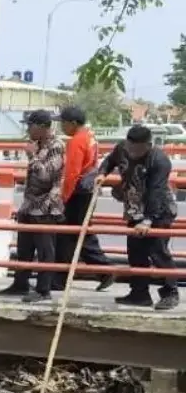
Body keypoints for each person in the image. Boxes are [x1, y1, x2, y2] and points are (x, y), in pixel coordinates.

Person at [96, 125, 179, 310]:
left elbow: (156, 192)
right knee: (135, 252)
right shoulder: (121, 148)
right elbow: (109, 161)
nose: (132, 153)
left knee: (158, 252)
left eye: (137, 150)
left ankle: (171, 292)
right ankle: (139, 293)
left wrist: (148, 220)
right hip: (134, 209)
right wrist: (102, 174)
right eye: (130, 148)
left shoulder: (159, 161)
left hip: (159, 211)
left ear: (148, 145)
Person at [0, 110, 65, 303]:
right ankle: (21, 283)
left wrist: (32, 156)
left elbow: (46, 176)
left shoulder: (56, 146)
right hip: (30, 205)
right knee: (24, 247)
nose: (28, 129)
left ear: (42, 127)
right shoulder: (38, 144)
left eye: (30, 125)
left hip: (46, 206)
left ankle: (44, 290)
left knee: (45, 250)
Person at [53, 105, 114, 292]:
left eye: (63, 123)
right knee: (75, 233)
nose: (62, 127)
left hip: (77, 192)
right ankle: (62, 277)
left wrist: (64, 197)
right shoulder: (90, 137)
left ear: (72, 123)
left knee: (73, 233)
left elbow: (72, 172)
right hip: (87, 190)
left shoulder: (76, 141)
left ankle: (103, 270)